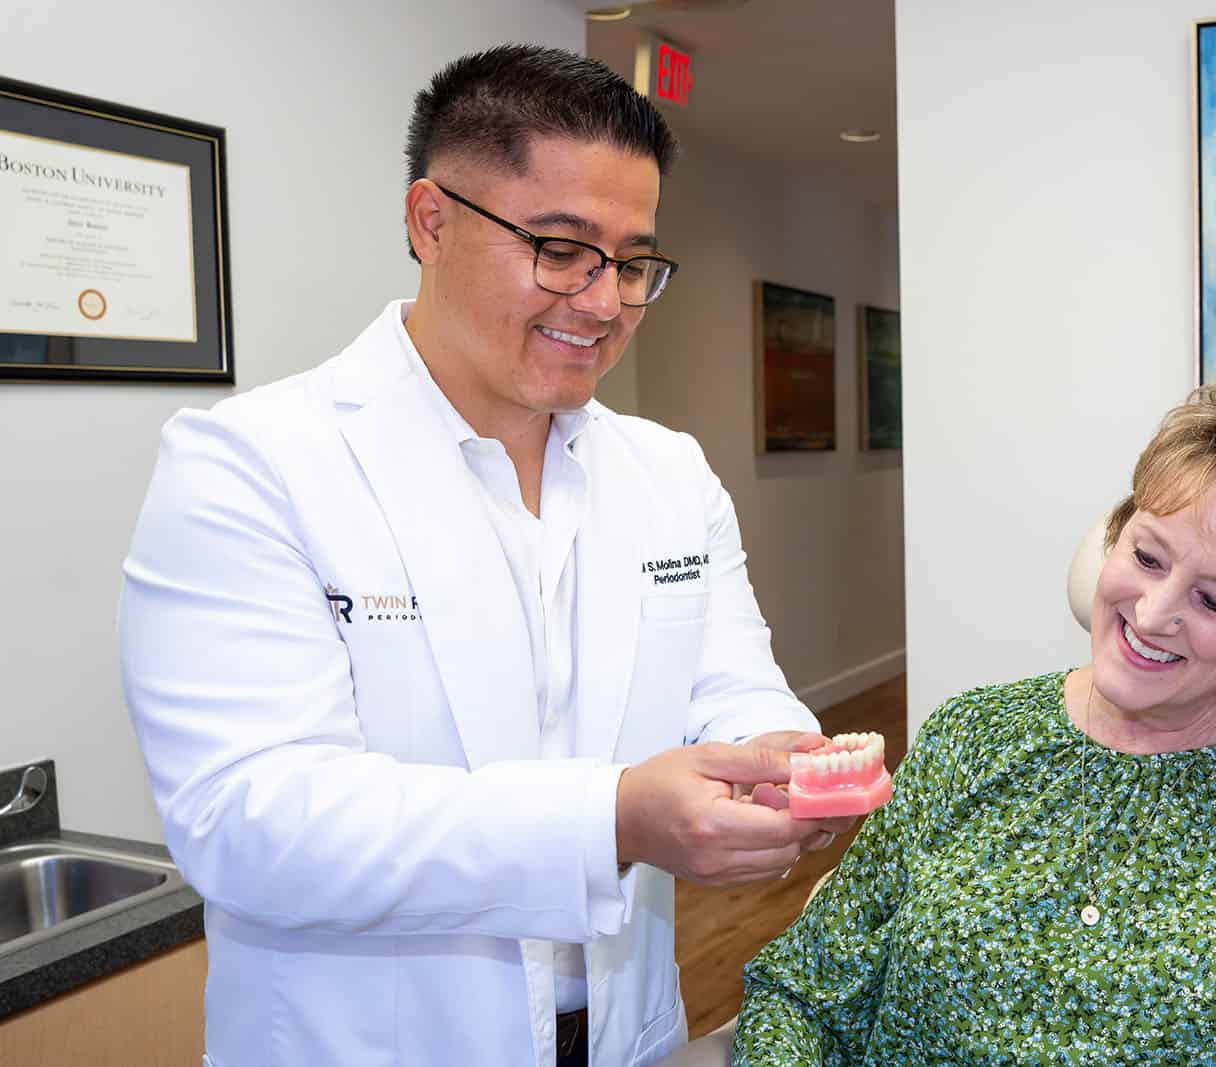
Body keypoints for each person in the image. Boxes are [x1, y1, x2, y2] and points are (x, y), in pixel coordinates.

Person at [118, 45, 854, 1067]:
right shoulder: (251, 466)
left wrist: (780, 762)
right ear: (431, 220)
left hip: (625, 1027)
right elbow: (253, 820)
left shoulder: (668, 473)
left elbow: (730, 684)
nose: (602, 302)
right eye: (560, 248)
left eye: (633, 262)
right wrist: (613, 816)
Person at [736, 380, 1216, 1065]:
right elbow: (801, 991)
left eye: (1214, 600)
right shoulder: (971, 736)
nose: (1154, 612)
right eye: (1147, 554)